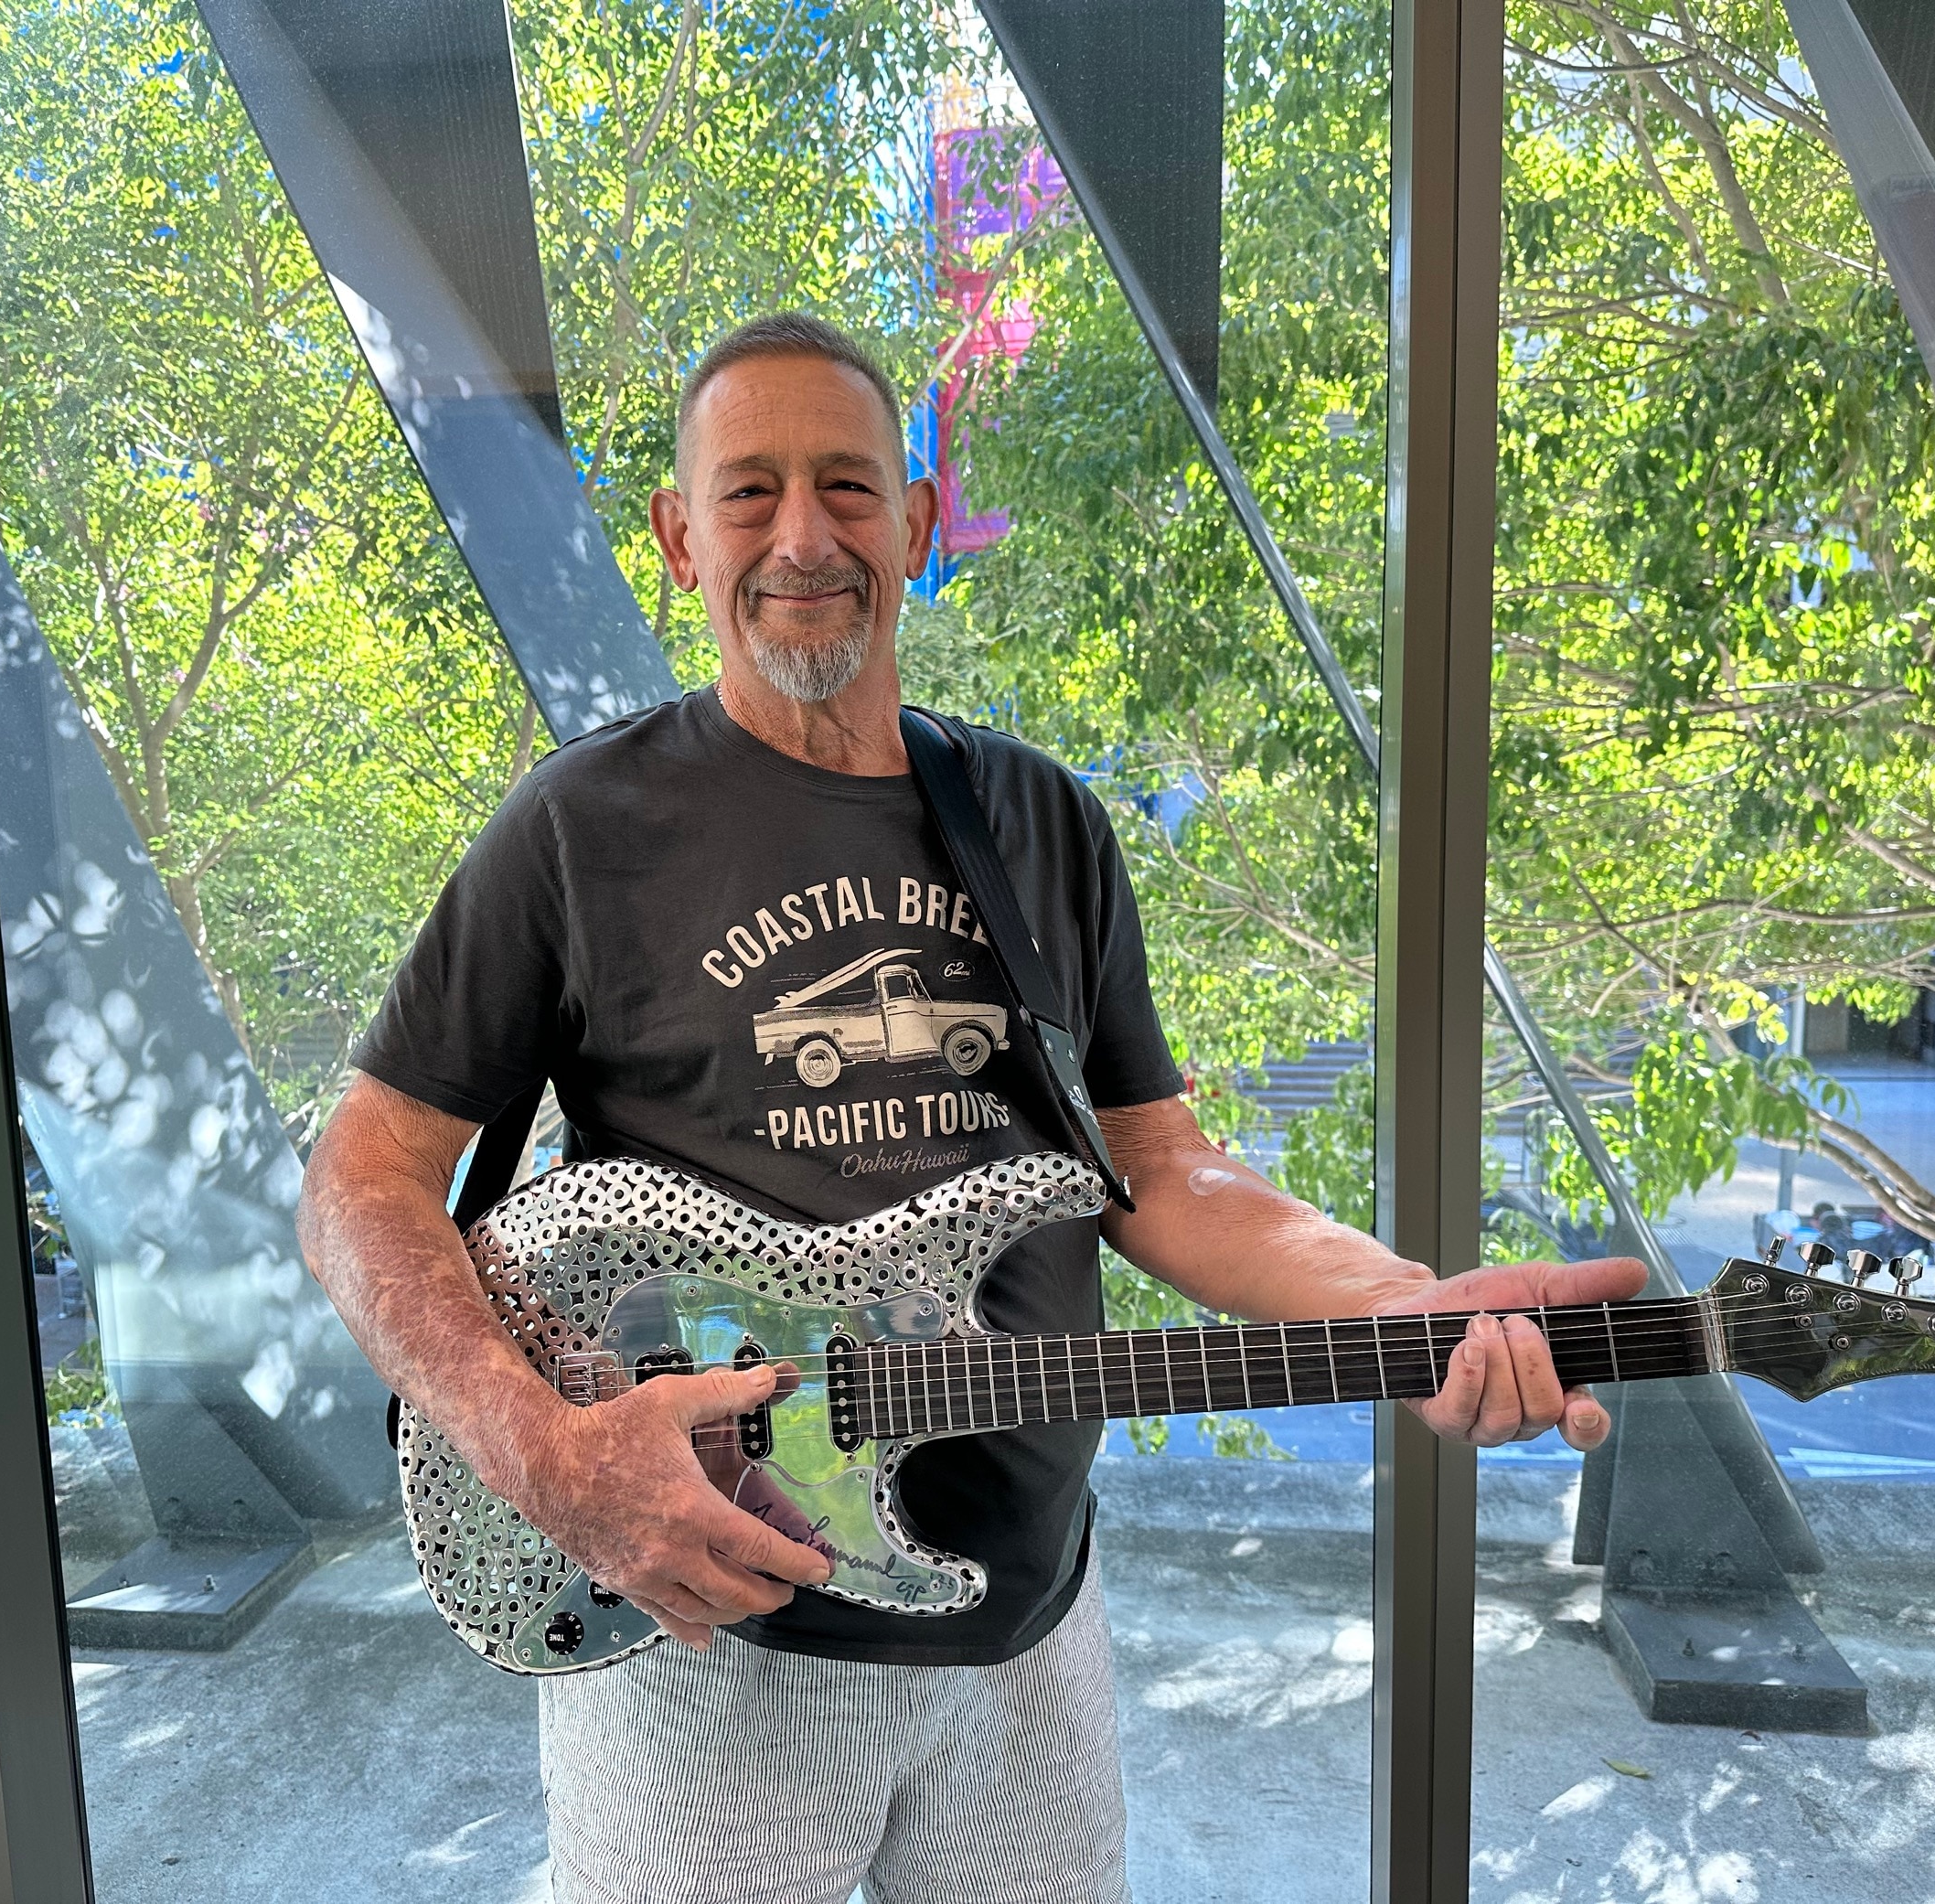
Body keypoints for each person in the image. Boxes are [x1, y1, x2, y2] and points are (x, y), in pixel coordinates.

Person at [296, 312, 1644, 1904]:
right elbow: (361, 1181)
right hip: (711, 1650)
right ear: (678, 536)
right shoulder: (579, 829)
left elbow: (1164, 1176)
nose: (805, 535)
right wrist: (545, 1455)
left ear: (919, 523)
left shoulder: (1039, 821)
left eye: (850, 487)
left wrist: (1413, 1307)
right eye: (751, 492)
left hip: (1026, 1632)